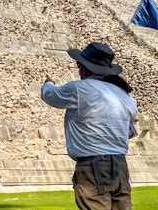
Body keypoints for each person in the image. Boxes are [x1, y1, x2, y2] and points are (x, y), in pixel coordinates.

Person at [41, 42, 138, 210]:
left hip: (94, 166)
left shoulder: (79, 89)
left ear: (84, 69)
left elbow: (50, 96)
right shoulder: (125, 95)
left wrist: (48, 83)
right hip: (120, 165)